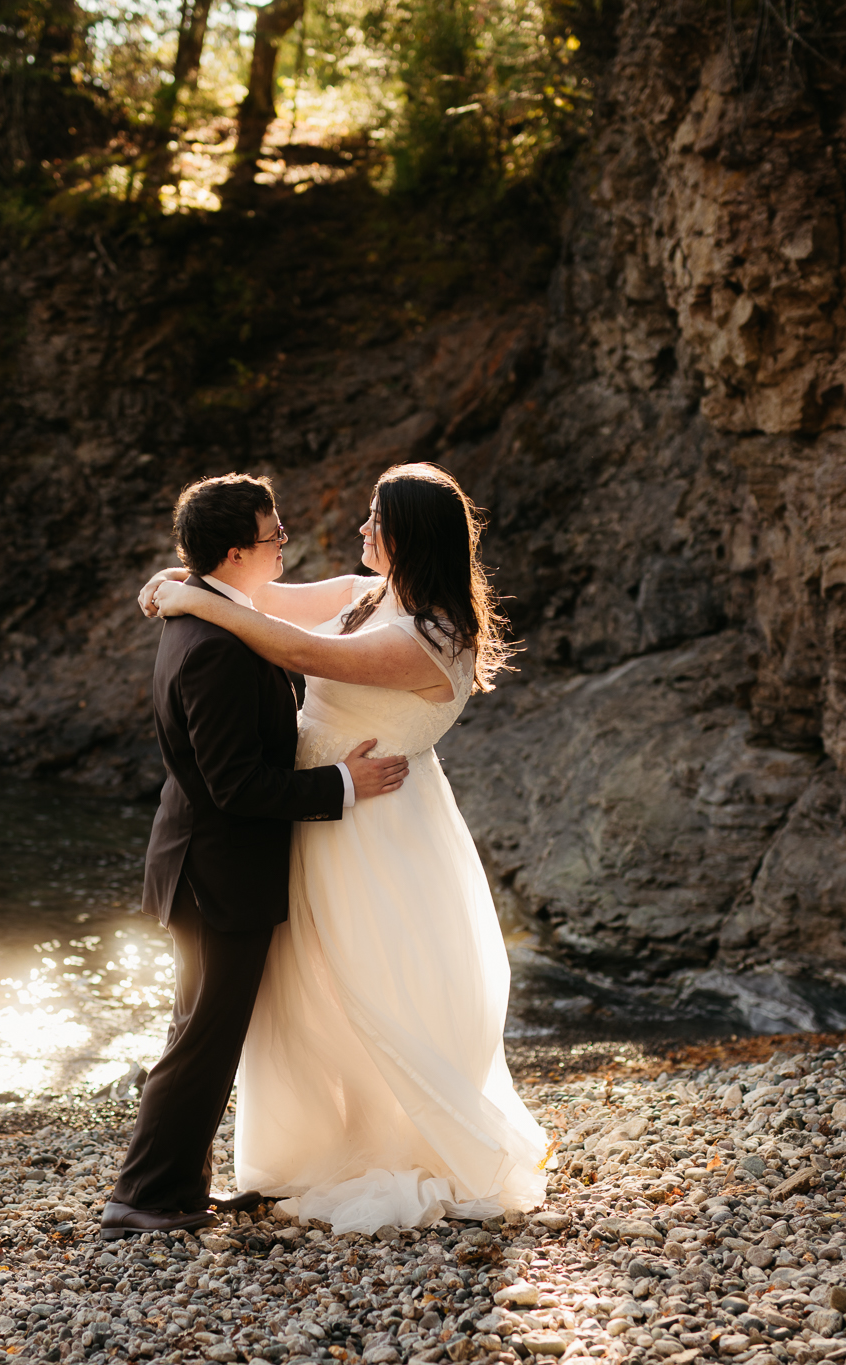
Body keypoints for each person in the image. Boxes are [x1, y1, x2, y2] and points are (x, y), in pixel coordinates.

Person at [140, 461, 547, 1234]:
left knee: (370, 986)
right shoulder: (368, 596)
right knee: (307, 992)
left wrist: (192, 595)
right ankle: (314, 1149)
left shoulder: (433, 637)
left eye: (374, 523)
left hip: (372, 823)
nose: (360, 532)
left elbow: (294, 650)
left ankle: (399, 1143)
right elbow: (255, 596)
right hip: (315, 812)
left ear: (408, 538)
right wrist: (188, 577)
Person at [101, 473, 411, 1241]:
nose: (284, 546)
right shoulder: (215, 647)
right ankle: (145, 1195)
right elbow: (237, 785)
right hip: (216, 871)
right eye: (274, 537)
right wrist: (343, 781)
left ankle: (168, 1188)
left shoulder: (218, 619)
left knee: (196, 1033)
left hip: (206, 865)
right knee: (205, 1036)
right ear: (238, 550)